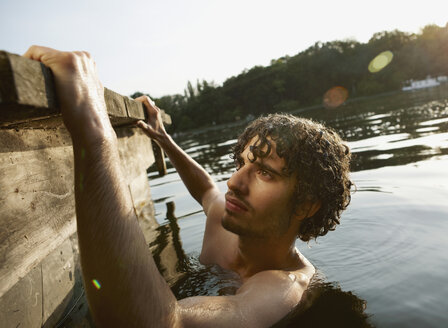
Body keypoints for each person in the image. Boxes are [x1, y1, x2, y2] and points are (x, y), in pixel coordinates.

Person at [23, 45, 352, 327]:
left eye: (264, 173)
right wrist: (164, 139)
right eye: (241, 165)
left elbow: (166, 323)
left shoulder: (284, 290)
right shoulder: (227, 216)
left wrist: (94, 132)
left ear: (307, 204)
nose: (234, 182)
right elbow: (206, 188)